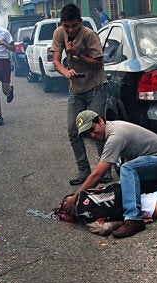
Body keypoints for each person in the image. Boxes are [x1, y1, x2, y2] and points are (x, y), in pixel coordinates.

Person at [62, 110, 157, 238]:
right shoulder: (113, 129)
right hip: (155, 163)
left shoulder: (115, 136)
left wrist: (76, 198)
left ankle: (134, 219)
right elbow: (129, 156)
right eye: (88, 134)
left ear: (100, 120)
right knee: (124, 180)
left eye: (93, 129)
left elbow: (98, 174)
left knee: (127, 169)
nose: (92, 135)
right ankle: (129, 213)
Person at [52, 4, 112, 186]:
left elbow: (98, 63)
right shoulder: (59, 34)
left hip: (95, 87)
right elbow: (56, 60)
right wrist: (65, 71)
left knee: (98, 129)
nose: (70, 30)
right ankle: (84, 171)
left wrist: (78, 55)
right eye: (66, 26)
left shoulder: (89, 35)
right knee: (73, 129)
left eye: (74, 26)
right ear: (62, 23)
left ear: (80, 22)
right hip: (76, 89)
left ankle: (105, 170)